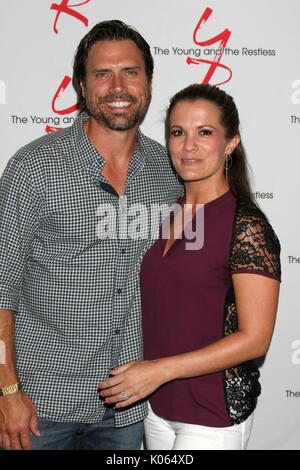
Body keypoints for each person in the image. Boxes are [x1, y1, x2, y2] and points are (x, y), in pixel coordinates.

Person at [0, 20, 182, 450]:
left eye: (130, 72)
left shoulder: (170, 173)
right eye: (102, 74)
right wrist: (7, 392)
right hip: (40, 407)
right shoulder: (34, 168)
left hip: (128, 410)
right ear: (82, 86)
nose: (117, 86)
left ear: (149, 83)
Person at [98, 84, 281, 450]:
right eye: (178, 132)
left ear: (231, 143)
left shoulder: (246, 226)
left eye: (205, 132)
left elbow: (255, 338)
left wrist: (160, 370)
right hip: (156, 408)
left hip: (211, 415)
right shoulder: (164, 212)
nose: (189, 145)